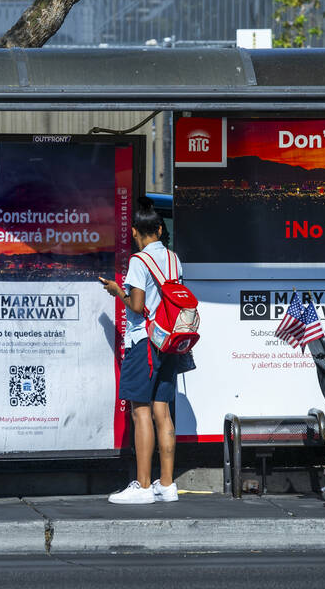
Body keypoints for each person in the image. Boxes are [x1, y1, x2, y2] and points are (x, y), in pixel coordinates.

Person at [99, 197, 183, 504]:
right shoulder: (174, 259)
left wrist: (117, 291)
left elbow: (136, 305)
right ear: (159, 230)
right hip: (169, 341)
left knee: (141, 412)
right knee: (163, 411)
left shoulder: (138, 261)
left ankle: (144, 486)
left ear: (135, 232)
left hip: (144, 343)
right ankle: (168, 484)